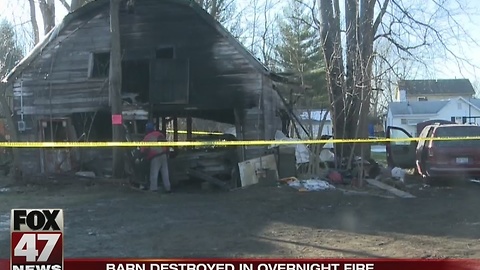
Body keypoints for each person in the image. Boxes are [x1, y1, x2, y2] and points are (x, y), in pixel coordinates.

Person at [140, 122, 171, 193]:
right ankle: (168, 188)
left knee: (154, 173)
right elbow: (166, 145)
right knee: (165, 173)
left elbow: (144, 150)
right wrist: (168, 153)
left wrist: (144, 158)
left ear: (147, 130)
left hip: (155, 157)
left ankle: (154, 189)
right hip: (164, 155)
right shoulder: (160, 134)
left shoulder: (147, 138)